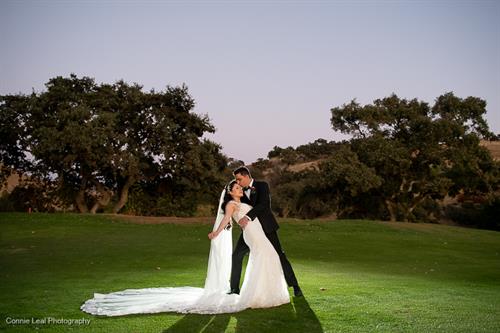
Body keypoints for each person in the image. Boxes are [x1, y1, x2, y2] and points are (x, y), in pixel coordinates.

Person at [80, 180, 289, 316]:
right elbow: (226, 220)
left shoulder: (243, 200)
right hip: (252, 234)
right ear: (230, 192)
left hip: (257, 232)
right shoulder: (230, 205)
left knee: (267, 256)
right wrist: (215, 233)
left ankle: (268, 292)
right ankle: (258, 295)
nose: (239, 189)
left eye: (239, 188)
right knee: (265, 256)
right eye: (236, 188)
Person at [230, 166, 303, 297]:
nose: (238, 183)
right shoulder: (240, 191)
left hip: (266, 228)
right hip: (250, 232)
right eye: (237, 180)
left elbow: (263, 204)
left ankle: (295, 286)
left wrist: (247, 217)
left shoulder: (262, 186)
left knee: (279, 255)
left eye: (240, 179)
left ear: (246, 176)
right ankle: (234, 289)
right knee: (236, 256)